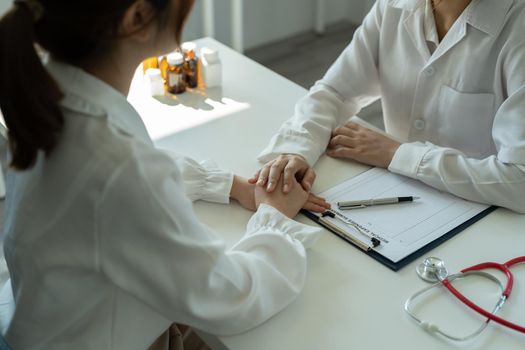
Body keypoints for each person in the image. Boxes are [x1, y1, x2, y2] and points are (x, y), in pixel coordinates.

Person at [0, 0, 326, 349]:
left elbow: (131, 172)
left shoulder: (45, 90)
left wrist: (228, 184)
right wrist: (273, 217)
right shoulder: (117, 164)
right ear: (138, 16)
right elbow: (228, 298)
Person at [251, 0, 525, 213]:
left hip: (487, 212)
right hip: (400, 192)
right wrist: (298, 147)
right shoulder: (392, 6)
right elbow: (336, 91)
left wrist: (397, 154)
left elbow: (519, 182)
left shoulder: (518, 28)